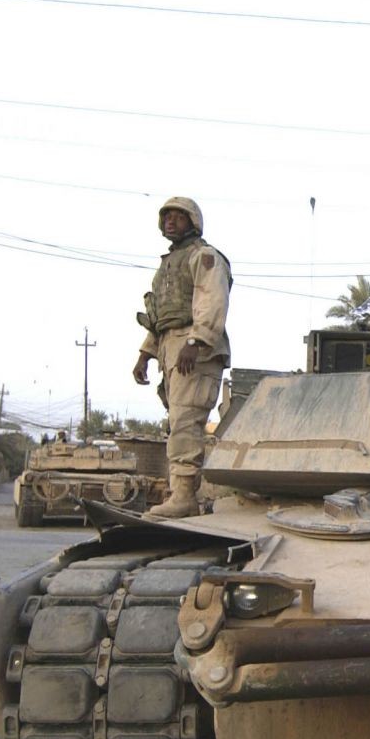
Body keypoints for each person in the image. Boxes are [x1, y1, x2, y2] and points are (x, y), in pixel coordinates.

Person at [132, 197, 231, 518]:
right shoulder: (169, 264)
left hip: (194, 349)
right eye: (167, 217)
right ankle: (181, 493)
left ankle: (185, 496)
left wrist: (196, 340)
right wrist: (146, 354)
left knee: (186, 420)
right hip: (170, 346)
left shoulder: (204, 256)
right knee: (178, 422)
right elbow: (162, 315)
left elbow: (212, 300)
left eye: (179, 216)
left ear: (194, 222)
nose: (171, 221)